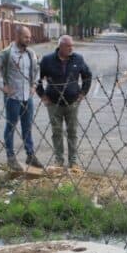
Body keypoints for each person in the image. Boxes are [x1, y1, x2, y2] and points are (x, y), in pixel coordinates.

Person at [0, 26, 43, 171]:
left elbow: (37, 70)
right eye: (26, 37)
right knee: (10, 127)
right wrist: (2, 86)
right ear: (17, 36)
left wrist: (34, 85)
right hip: (13, 98)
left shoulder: (30, 53)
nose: (28, 40)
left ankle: (30, 155)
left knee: (27, 127)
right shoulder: (7, 53)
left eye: (29, 37)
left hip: (27, 97)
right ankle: (11, 157)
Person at [37, 35, 92, 169]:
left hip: (72, 103)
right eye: (68, 46)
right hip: (54, 103)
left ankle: (73, 161)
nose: (71, 48)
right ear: (60, 46)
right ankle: (59, 160)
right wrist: (42, 95)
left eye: (72, 45)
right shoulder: (47, 60)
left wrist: (83, 93)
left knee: (72, 132)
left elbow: (87, 75)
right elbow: (36, 77)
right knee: (57, 132)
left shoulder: (77, 59)